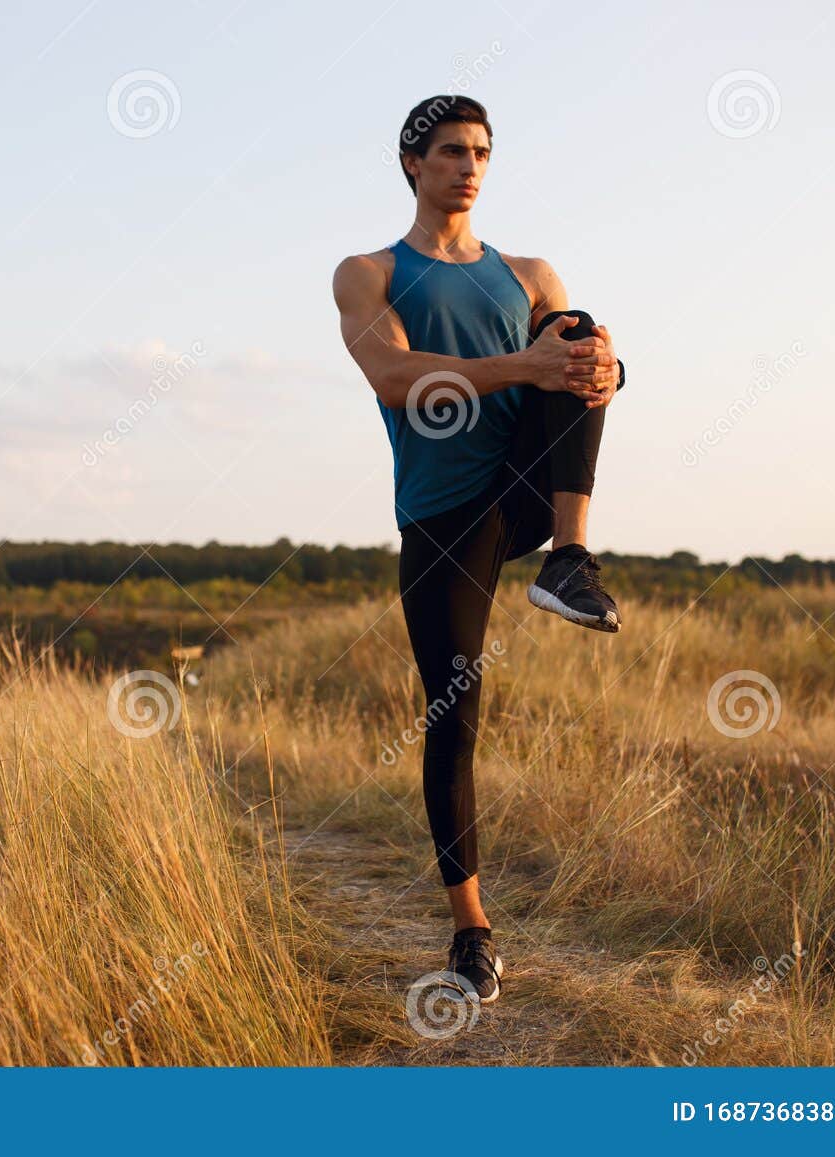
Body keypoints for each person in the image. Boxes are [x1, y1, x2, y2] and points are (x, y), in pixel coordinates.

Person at [331, 94, 627, 1004]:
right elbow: (393, 379)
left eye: (483, 152)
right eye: (452, 151)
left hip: (520, 489)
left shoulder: (531, 272)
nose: (469, 165)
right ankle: (472, 926)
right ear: (412, 164)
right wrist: (523, 369)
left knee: (580, 333)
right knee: (453, 713)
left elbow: (569, 374)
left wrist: (599, 367)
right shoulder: (370, 272)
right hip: (441, 513)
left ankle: (567, 560)